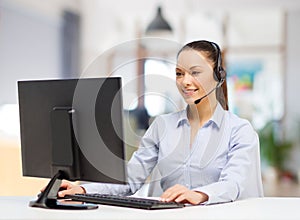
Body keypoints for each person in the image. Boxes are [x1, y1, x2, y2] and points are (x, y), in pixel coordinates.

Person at [55, 40, 264, 205]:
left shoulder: (239, 131)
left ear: (218, 76)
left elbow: (234, 183)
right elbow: (132, 177)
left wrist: (199, 194)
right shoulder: (162, 126)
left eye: (195, 72)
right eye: (179, 73)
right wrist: (84, 189)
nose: (185, 81)